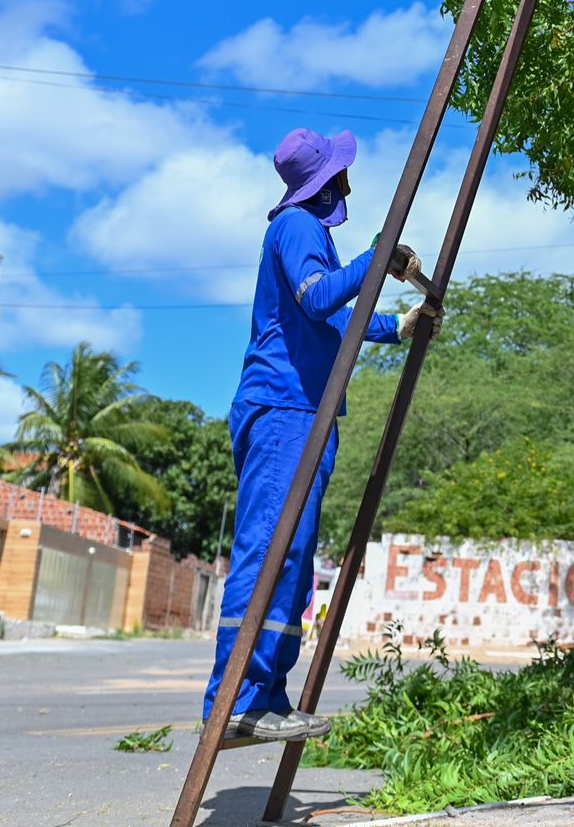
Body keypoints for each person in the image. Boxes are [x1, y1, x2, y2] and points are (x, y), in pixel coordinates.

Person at [203, 128, 440, 742]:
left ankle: (265, 698)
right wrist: (379, 256)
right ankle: (230, 701)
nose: (350, 181)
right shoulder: (298, 227)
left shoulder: (312, 236)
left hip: (305, 412)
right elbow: (316, 299)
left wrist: (400, 325)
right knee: (267, 551)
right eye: (342, 171)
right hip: (283, 409)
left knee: (294, 559)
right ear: (328, 181)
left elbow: (336, 316)